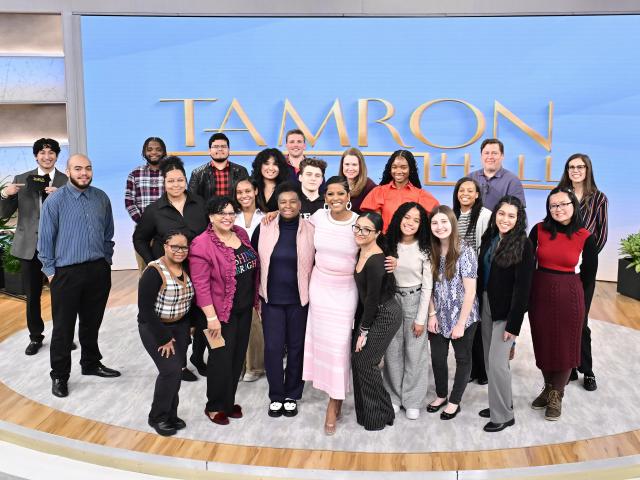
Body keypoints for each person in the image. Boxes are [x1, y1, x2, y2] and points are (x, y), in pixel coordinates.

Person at [38, 154, 120, 398]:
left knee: (91, 322)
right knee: (63, 328)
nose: (83, 172)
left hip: (97, 270)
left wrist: (106, 260)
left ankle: (91, 363)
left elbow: (108, 233)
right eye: (78, 168)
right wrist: (51, 273)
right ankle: (60, 376)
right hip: (66, 273)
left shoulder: (101, 198)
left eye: (88, 168)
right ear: (68, 170)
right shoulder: (55, 201)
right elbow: (44, 240)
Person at [133, 156, 208, 381]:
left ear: (186, 181)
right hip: (172, 274)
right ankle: (180, 363)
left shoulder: (200, 203)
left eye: (180, 180)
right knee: (178, 319)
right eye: (170, 181)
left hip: (198, 270)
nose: (175, 185)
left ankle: (198, 356)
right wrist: (153, 263)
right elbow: (139, 238)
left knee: (202, 316)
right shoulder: (155, 210)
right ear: (163, 183)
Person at [189, 196, 260, 426]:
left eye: (231, 213)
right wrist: (211, 318)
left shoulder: (240, 233)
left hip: (243, 309)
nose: (228, 217)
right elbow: (200, 285)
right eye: (222, 213)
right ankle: (214, 406)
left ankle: (228, 402)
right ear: (211, 216)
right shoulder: (201, 244)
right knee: (220, 360)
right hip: (218, 315)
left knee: (237, 358)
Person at [528, 187, 597, 421]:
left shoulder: (586, 237)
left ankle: (557, 394)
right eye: (553, 205)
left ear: (573, 205)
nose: (558, 209)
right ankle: (548, 387)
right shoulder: (538, 230)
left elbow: (589, 278)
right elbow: (528, 263)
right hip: (540, 292)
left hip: (570, 294)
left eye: (563, 204)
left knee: (565, 346)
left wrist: (584, 308)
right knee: (544, 342)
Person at [251, 182, 315, 417]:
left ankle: (292, 394)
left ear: (300, 204)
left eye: (292, 202)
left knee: (297, 348)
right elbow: (253, 259)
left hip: (300, 300)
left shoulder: (311, 228)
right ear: (276, 205)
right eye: (282, 202)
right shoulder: (264, 227)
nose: (287, 206)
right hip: (271, 300)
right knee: (273, 348)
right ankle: (276, 395)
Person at [302, 176, 359, 435]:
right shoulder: (317, 217)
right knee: (323, 344)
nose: (335, 198)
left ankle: (334, 402)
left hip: (346, 290)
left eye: (340, 193)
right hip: (320, 287)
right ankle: (331, 393)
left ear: (348, 195)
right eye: (330, 194)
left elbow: (372, 249)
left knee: (339, 346)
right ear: (325, 197)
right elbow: (296, 228)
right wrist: (270, 215)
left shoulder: (359, 222)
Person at [0, 138, 67, 356]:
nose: (47, 157)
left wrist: (63, 199)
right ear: (36, 155)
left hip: (58, 249)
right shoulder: (21, 179)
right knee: (32, 295)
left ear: (57, 155)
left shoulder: (66, 181)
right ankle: (35, 337)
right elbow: (3, 214)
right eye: (42, 153)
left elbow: (74, 216)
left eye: (51, 153)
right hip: (29, 247)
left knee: (61, 295)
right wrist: (5, 194)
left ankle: (63, 336)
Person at [476, 196, 534, 432]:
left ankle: (503, 416)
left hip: (506, 311)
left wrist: (514, 324)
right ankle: (499, 402)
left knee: (498, 363)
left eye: (511, 215)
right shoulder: (490, 237)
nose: (505, 219)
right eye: (502, 214)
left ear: (518, 219)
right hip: (487, 302)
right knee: (491, 362)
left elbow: (523, 289)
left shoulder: (524, 244)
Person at [558, 153, 608, 391]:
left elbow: (602, 233)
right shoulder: (559, 194)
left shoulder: (598, 198)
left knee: (581, 319)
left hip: (584, 267)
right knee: (564, 319)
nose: (575, 170)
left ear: (588, 170)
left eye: (580, 167)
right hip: (560, 266)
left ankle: (586, 369)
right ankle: (568, 367)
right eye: (571, 167)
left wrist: (584, 256)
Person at [426, 205, 480, 420]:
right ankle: (441, 395)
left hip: (463, 317)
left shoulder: (465, 250)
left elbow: (470, 291)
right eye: (435, 223)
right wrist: (432, 314)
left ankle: (454, 401)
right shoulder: (430, 250)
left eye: (444, 222)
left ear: (452, 223)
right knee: (438, 358)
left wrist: (460, 324)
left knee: (462, 358)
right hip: (438, 314)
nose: (440, 227)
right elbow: (427, 286)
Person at [138, 230, 193, 437]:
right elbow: (145, 310)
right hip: (154, 327)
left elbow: (189, 302)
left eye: (184, 247)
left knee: (177, 370)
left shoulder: (186, 268)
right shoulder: (154, 272)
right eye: (175, 247)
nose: (180, 251)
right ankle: (157, 417)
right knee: (170, 370)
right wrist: (164, 337)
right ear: (165, 246)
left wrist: (189, 327)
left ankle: (171, 413)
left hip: (179, 325)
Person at [352, 212, 402, 431]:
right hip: (371, 312)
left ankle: (377, 418)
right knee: (358, 361)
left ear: (377, 233)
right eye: (357, 227)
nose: (360, 233)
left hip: (385, 314)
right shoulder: (361, 252)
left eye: (366, 230)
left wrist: (363, 331)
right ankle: (376, 412)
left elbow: (372, 300)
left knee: (365, 362)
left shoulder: (376, 260)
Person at [382, 203, 432, 420]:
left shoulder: (425, 248)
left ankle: (412, 399)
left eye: (416, 220)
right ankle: (393, 396)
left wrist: (422, 318)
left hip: (415, 300)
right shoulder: (387, 243)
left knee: (415, 354)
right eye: (407, 217)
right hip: (392, 299)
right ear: (398, 217)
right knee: (392, 352)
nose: (410, 223)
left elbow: (428, 286)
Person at [453, 176, 492, 385]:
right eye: (461, 190)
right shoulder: (453, 215)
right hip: (457, 279)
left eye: (470, 190)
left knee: (479, 324)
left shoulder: (486, 215)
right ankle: (470, 369)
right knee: (466, 324)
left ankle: (482, 370)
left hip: (477, 276)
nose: (465, 194)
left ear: (477, 194)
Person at [233, 176, 265, 382]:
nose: (244, 195)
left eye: (247, 191)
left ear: (255, 191)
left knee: (256, 318)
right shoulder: (230, 216)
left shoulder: (266, 217)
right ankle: (239, 364)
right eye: (239, 192)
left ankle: (255, 365)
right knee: (236, 320)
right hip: (236, 272)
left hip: (260, 270)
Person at [360, 150, 439, 232]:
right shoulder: (379, 191)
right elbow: (373, 224)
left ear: (410, 169)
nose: (398, 171)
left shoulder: (420, 194)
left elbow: (436, 216)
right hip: (384, 242)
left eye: (403, 167)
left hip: (412, 242)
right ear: (390, 169)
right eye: (394, 167)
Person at [125, 137, 167, 272]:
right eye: (149, 149)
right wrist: (145, 223)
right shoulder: (135, 174)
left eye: (158, 149)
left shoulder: (171, 173)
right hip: (143, 233)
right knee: (146, 271)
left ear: (164, 152)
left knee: (169, 270)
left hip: (167, 231)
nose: (154, 152)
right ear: (144, 152)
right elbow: (129, 202)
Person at [188, 133, 249, 202]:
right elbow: (192, 201)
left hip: (234, 212)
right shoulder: (197, 173)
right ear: (209, 151)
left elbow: (247, 196)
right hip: (207, 212)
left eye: (223, 146)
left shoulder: (241, 171)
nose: (220, 149)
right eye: (216, 146)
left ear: (229, 150)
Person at [469, 138, 526, 211]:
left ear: (502, 156)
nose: (490, 157)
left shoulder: (512, 181)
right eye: (486, 153)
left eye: (494, 153)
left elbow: (519, 212)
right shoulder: (470, 178)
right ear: (481, 156)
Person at [338, 147, 376, 214]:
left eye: (354, 165)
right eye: (347, 164)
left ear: (361, 166)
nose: (350, 168)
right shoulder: (337, 185)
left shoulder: (370, 187)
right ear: (342, 166)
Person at [250, 148, 289, 213]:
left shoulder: (287, 188)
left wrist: (276, 213)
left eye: (275, 164)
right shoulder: (251, 186)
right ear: (259, 166)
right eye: (266, 164)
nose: (271, 168)